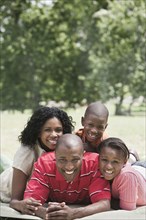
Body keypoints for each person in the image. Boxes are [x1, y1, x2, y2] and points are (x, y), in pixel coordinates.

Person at [0, 106, 74, 211]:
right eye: (47, 130)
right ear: (39, 132)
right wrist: (21, 205)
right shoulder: (27, 151)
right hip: (6, 188)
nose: (54, 135)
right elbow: (15, 200)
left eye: (58, 130)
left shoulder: (64, 148)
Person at [23, 134, 111, 219]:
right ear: (55, 155)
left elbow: (104, 203)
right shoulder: (44, 164)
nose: (69, 166)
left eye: (75, 160)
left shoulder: (94, 164)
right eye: (62, 160)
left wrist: (73, 213)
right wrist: (47, 213)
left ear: (83, 155)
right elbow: (30, 202)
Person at [98, 137, 146, 210]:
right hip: (135, 168)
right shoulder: (96, 166)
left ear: (124, 162)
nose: (108, 166)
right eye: (104, 160)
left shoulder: (127, 176)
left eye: (115, 161)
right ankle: (132, 156)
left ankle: (132, 156)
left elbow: (127, 209)